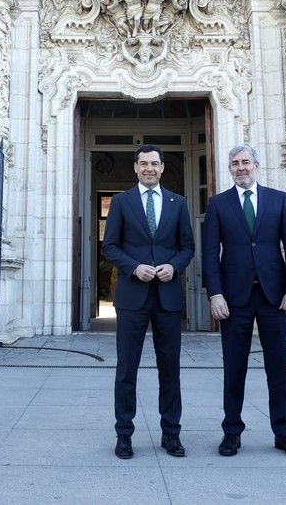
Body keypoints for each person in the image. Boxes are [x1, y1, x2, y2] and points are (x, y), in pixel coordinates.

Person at [202, 144, 286, 459]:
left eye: (246, 162)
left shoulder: (278, 200)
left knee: (279, 368)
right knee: (234, 368)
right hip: (234, 300)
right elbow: (210, 255)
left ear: (256, 166)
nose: (241, 167)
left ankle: (284, 433)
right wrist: (214, 293)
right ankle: (232, 432)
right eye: (235, 163)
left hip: (275, 299)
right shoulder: (218, 204)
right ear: (230, 169)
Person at [102, 144, 195, 460]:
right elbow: (110, 246)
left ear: (162, 167)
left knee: (170, 370)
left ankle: (171, 434)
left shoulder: (178, 203)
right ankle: (124, 435)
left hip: (167, 299)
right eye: (143, 164)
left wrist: (174, 266)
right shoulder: (121, 202)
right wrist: (133, 267)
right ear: (135, 167)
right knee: (127, 368)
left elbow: (187, 247)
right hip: (132, 297)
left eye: (154, 163)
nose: (149, 168)